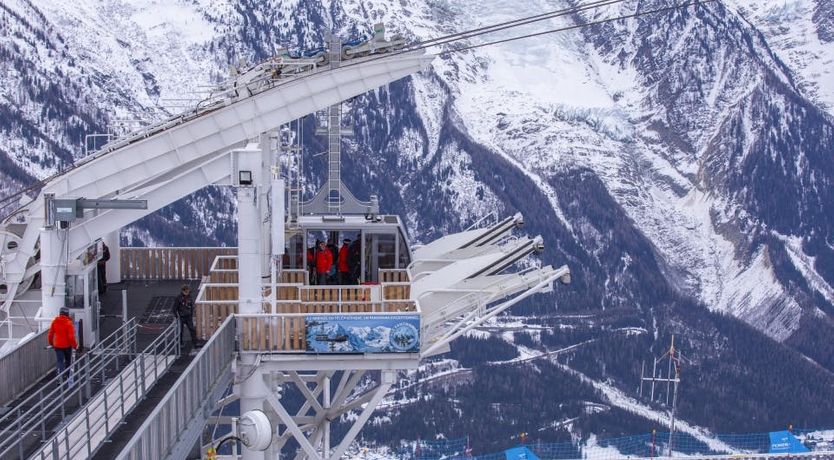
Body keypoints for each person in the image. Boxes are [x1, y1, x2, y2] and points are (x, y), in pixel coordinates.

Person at [48, 307, 78, 380]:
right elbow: (71, 337)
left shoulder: (55, 322)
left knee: (60, 361)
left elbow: (50, 334)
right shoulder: (69, 323)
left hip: (57, 346)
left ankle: (59, 377)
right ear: (67, 314)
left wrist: (51, 343)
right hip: (67, 346)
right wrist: (75, 345)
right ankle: (67, 375)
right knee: (68, 360)